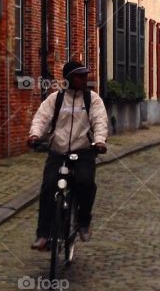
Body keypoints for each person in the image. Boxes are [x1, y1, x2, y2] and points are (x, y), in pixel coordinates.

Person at [28, 60, 108, 249]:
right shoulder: (55, 99)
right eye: (79, 76)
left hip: (84, 151)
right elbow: (41, 118)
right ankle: (43, 235)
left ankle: (83, 221)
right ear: (69, 78)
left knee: (86, 183)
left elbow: (100, 120)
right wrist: (34, 135)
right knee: (48, 187)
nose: (83, 79)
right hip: (58, 151)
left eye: (84, 75)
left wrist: (100, 141)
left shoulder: (92, 99)